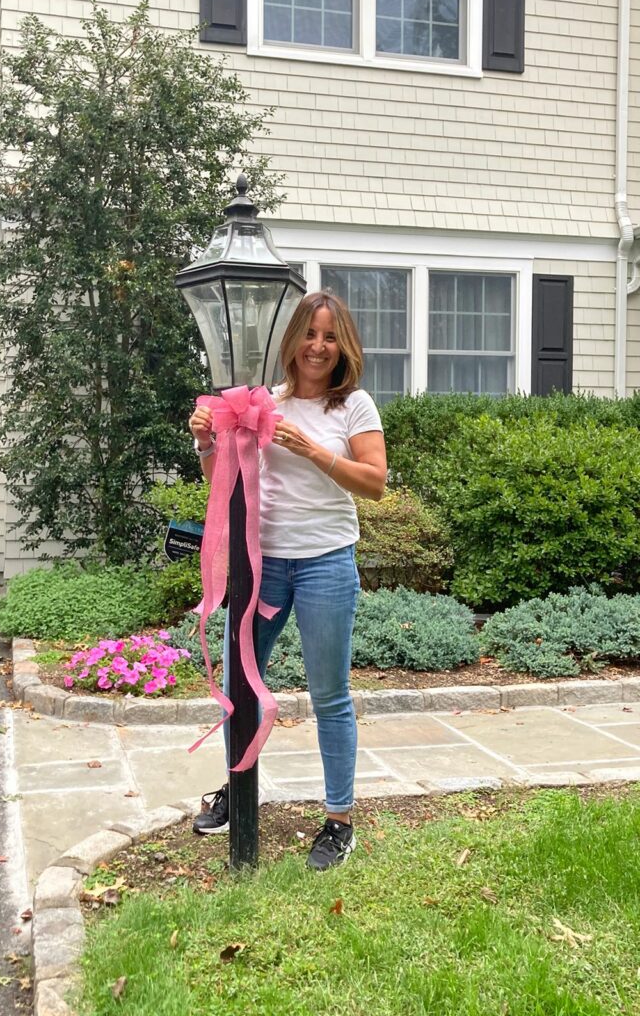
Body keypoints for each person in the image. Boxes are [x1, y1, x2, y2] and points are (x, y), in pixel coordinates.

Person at [187, 290, 387, 871]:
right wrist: (206, 437)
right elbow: (221, 477)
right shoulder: (265, 402)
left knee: (329, 696)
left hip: (326, 561)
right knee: (239, 684)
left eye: (330, 336)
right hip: (263, 564)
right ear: (293, 340)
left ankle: (339, 820)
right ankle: (238, 786)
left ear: (342, 344)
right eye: (310, 334)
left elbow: (373, 483)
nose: (319, 346)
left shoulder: (354, 407)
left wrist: (313, 451)